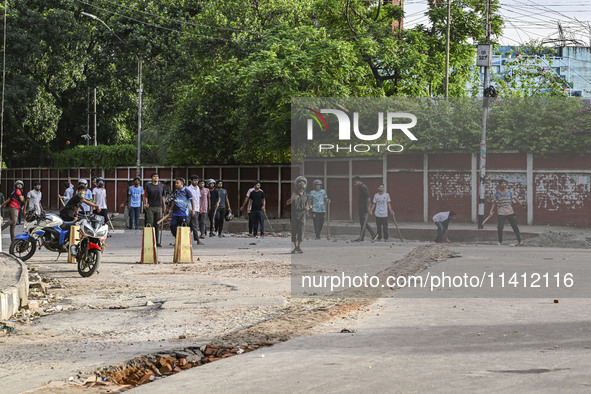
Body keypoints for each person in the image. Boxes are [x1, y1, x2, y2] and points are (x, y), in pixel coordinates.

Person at [490, 179, 524, 246]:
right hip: (501, 213)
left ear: (506, 184)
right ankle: (500, 242)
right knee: (500, 227)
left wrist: (521, 204)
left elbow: (515, 198)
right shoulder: (497, 193)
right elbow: (494, 203)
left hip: (510, 212)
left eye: (504, 183)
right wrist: (491, 211)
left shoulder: (509, 192)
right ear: (499, 185)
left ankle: (520, 241)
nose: (503, 185)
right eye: (502, 183)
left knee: (515, 227)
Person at [352, 176, 378, 243]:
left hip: (363, 208)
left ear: (358, 181)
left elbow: (368, 198)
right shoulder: (360, 187)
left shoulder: (363, 187)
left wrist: (368, 208)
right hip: (361, 207)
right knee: (362, 223)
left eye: (355, 183)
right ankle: (361, 238)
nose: (354, 185)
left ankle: (373, 234)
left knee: (363, 222)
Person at [287, 176, 309, 254]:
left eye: (302, 183)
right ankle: (295, 247)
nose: (301, 185)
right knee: (294, 230)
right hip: (294, 214)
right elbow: (287, 203)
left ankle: (299, 247)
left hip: (302, 214)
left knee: (301, 230)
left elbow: (307, 205)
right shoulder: (293, 194)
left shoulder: (306, 194)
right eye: (300, 183)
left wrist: (308, 209)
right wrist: (292, 199)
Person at [144, 172, 166, 247]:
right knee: (150, 223)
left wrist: (164, 206)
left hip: (159, 206)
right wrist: (146, 203)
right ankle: (149, 241)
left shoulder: (161, 186)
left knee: (157, 224)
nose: (156, 178)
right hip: (150, 207)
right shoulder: (148, 186)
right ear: (152, 178)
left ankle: (157, 241)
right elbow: (146, 196)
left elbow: (163, 197)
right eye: (154, 176)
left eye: (157, 176)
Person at [187, 175, 203, 245]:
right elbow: (187, 199)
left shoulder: (198, 189)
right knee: (191, 225)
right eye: (194, 180)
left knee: (193, 225)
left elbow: (199, 198)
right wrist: (189, 208)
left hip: (196, 208)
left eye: (196, 180)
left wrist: (200, 207)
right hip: (190, 209)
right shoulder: (188, 189)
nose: (196, 182)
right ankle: (195, 240)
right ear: (191, 181)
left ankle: (193, 239)